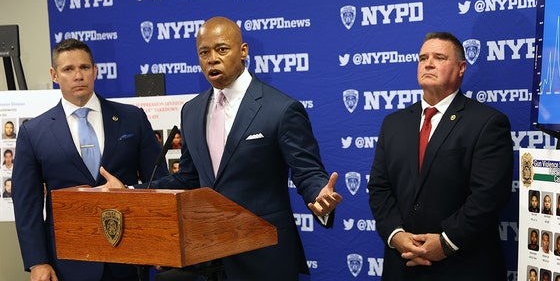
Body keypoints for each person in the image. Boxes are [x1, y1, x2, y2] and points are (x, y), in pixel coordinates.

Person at [100, 17, 342, 280]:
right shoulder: (191, 110)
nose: (212, 59)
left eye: (222, 49)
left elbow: (307, 172)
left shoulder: (280, 109)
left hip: (263, 256)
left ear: (243, 51)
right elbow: (188, 178)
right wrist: (130, 191)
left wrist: (320, 197)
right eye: (204, 52)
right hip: (207, 258)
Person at [11, 38, 168, 281]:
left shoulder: (132, 118)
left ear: (95, 71)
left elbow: (159, 184)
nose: (78, 75)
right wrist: (37, 262)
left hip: (129, 255)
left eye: (84, 67)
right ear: (54, 75)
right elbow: (26, 205)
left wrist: (161, 244)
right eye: (68, 69)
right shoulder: (34, 132)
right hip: (68, 262)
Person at [367, 32, 513, 280]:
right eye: (423, 58)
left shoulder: (487, 122)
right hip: (402, 266)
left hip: (463, 266)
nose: (428, 63)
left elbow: (489, 195)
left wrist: (446, 242)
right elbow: (380, 188)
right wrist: (396, 235)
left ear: (461, 68)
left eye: (439, 57)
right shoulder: (393, 123)